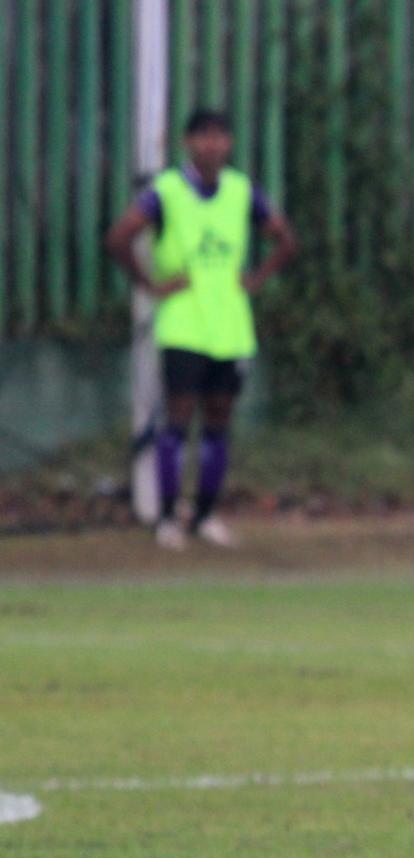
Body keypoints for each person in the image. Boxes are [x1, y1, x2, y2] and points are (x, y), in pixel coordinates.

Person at [105, 108, 298, 550]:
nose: (212, 145)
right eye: (203, 137)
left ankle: (206, 515)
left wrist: (257, 279)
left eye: (220, 137)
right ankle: (168, 518)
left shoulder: (241, 191)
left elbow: (285, 239)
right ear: (187, 143)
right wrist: (149, 285)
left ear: (229, 143)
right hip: (184, 324)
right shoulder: (167, 192)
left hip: (230, 326)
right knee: (177, 420)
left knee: (219, 423)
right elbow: (118, 237)